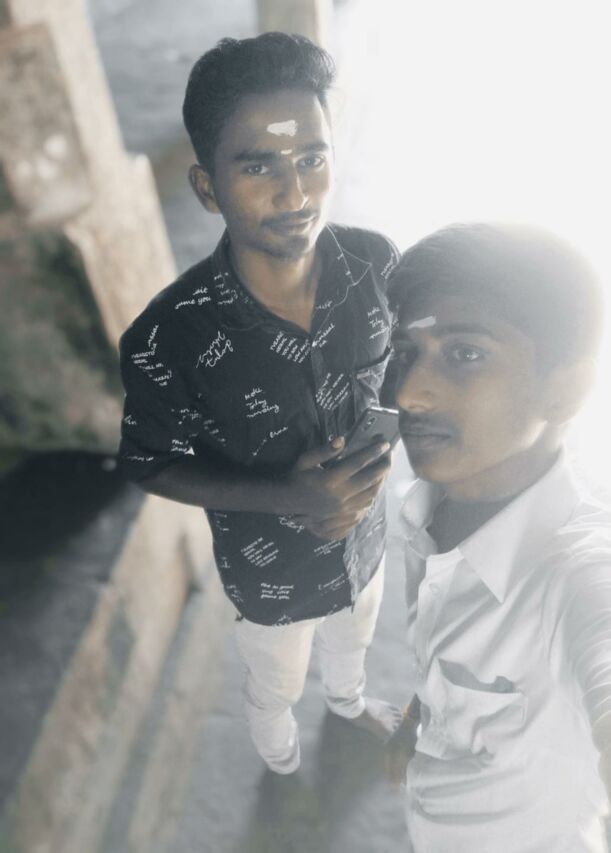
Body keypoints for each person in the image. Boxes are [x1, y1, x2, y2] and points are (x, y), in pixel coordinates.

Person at [117, 32, 401, 775]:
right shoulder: (168, 338)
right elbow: (148, 462)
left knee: (354, 643)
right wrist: (287, 496)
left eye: (311, 158)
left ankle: (348, 703)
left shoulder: (376, 266)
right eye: (258, 166)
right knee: (276, 684)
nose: (295, 194)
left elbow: (401, 379)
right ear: (207, 188)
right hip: (271, 580)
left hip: (367, 544)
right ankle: (279, 759)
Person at [384, 223, 611, 851]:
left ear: (566, 390)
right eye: (405, 351)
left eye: (465, 353)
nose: (407, 393)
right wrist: (422, 717)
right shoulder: (432, 503)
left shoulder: (585, 574)